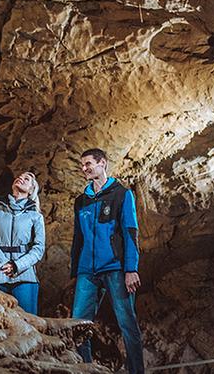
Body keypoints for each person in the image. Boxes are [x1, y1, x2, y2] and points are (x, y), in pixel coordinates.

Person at [70, 148, 145, 374]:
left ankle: (136, 371)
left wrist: (131, 269)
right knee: (79, 325)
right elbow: (78, 238)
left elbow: (130, 231)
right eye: (83, 165)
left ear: (102, 163)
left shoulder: (122, 194)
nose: (84, 168)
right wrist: (75, 271)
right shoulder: (81, 201)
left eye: (88, 164)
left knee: (127, 323)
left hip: (115, 267)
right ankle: (85, 368)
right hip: (87, 271)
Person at [0, 171, 46, 315]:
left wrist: (17, 265)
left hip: (25, 276)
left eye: (26, 179)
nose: (20, 178)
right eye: (19, 177)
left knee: (29, 323)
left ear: (31, 190)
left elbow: (38, 248)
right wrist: (2, 262)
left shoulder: (35, 216)